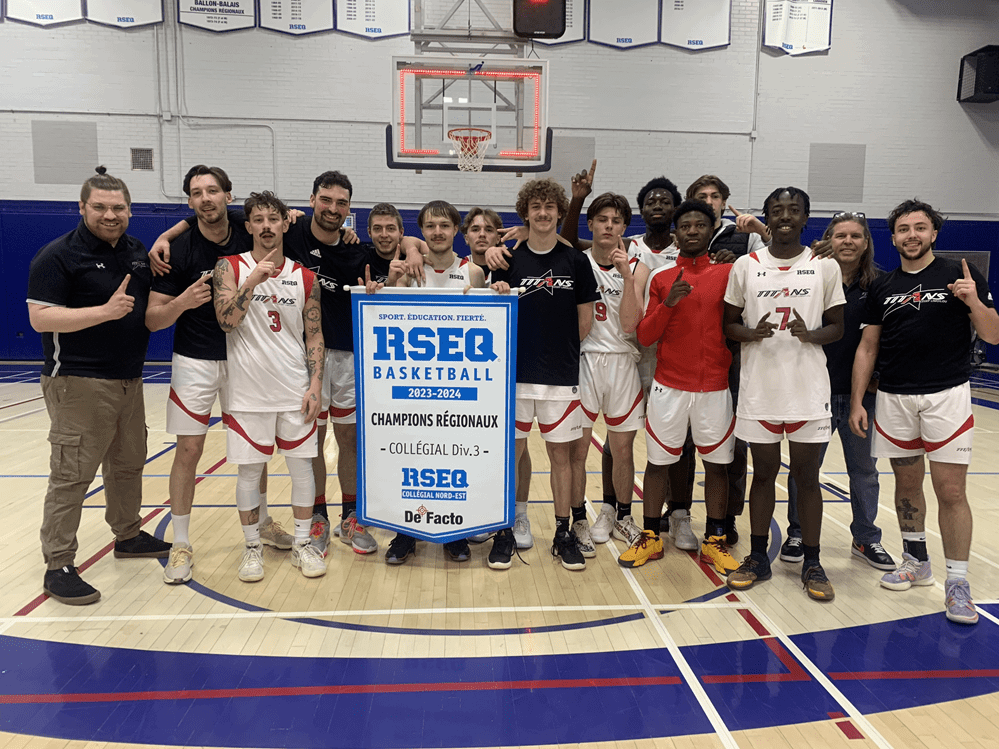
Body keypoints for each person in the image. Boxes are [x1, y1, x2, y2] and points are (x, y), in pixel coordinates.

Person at [850, 199, 999, 625]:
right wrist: (859, 400)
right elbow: (868, 346)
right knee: (906, 484)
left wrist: (974, 301)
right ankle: (916, 560)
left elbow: (993, 334)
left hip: (947, 395)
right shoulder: (882, 285)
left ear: (934, 233)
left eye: (920, 227)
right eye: (903, 229)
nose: (911, 235)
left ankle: (958, 583)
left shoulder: (960, 274)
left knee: (951, 492)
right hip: (895, 398)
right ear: (893, 236)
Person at [27, 167, 170, 605]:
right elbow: (41, 318)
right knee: (72, 475)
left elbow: (146, 312)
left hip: (129, 379)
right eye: (101, 208)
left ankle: (127, 535)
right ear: (82, 208)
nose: (111, 215)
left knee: (128, 463)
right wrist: (102, 312)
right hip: (77, 382)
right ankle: (59, 564)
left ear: (129, 210)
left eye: (119, 208)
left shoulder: (136, 252)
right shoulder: (58, 256)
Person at [146, 165, 294, 584]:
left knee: (255, 449)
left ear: (229, 198)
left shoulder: (248, 228)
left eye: (213, 191)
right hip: (195, 360)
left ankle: (262, 522)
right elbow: (154, 320)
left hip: (246, 357)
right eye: (196, 193)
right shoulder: (177, 251)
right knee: (189, 450)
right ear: (189, 201)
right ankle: (180, 543)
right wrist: (183, 303)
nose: (205, 198)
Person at [723, 187, 845, 601]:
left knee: (807, 479)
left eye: (794, 210)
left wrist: (811, 335)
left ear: (806, 218)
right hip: (759, 390)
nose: (786, 216)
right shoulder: (746, 264)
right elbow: (729, 325)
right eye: (778, 210)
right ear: (768, 218)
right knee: (763, 475)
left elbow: (838, 327)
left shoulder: (824, 266)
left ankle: (812, 561)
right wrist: (749, 332)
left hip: (809, 391)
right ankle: (758, 557)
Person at [382, 200, 509, 564]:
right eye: (430, 226)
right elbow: (389, 318)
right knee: (410, 458)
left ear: (457, 231)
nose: (438, 231)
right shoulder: (406, 273)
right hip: (414, 388)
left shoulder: (473, 274)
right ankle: (406, 532)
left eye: (445, 225)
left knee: (453, 462)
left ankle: (454, 533)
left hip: (458, 390)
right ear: (421, 233)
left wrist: (497, 293)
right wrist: (384, 287)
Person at [212, 191, 326, 581]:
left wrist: (315, 384)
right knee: (248, 475)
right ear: (248, 227)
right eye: (258, 219)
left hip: (295, 390)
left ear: (283, 224)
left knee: (301, 471)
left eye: (273, 219)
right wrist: (254, 280)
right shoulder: (229, 267)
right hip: (247, 393)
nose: (265, 226)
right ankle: (252, 548)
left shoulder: (305, 276)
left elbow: (314, 336)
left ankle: (301, 544)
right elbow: (227, 321)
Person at [490, 178, 601, 571]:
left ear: (559, 212)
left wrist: (559, 350)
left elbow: (584, 320)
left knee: (564, 459)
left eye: (549, 206)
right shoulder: (508, 258)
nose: (542, 213)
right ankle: (504, 531)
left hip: (561, 377)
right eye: (535, 206)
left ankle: (562, 533)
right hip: (514, 378)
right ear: (525, 213)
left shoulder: (576, 261)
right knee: (510, 457)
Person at [622, 200, 738, 574]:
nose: (691, 230)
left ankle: (716, 540)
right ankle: (652, 536)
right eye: (684, 225)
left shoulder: (729, 273)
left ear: (711, 230)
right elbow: (645, 335)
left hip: (715, 388)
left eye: (699, 225)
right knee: (658, 464)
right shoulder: (660, 278)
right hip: (669, 387)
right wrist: (668, 304)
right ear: (676, 233)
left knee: (717, 467)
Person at [782, 213, 895, 571]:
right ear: (829, 239)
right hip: (813, 393)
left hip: (860, 397)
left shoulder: (877, 286)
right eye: (840, 235)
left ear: (866, 243)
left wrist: (876, 379)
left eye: (856, 236)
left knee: (864, 471)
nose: (848, 241)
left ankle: (866, 538)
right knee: (804, 469)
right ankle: (798, 533)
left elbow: (881, 340)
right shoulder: (810, 277)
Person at [570, 193, 644, 552]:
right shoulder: (576, 261)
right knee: (577, 450)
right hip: (584, 360)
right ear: (591, 224)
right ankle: (578, 521)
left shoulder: (638, 267)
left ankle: (622, 515)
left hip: (621, 362)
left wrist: (627, 277)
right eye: (602, 219)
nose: (609, 226)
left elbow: (631, 325)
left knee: (623, 450)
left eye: (616, 220)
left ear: (625, 227)